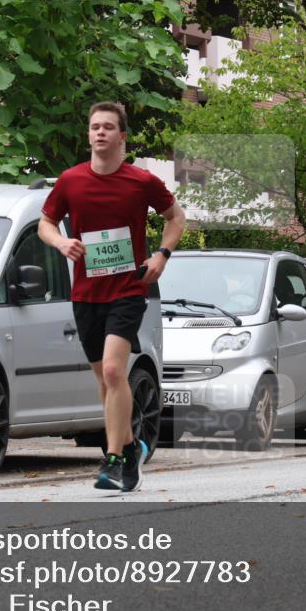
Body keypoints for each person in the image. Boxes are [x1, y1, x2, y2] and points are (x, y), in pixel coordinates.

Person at [39, 101, 186, 491]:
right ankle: (131, 444)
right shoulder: (70, 180)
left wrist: (162, 255)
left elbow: (177, 218)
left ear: (122, 136)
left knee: (113, 371)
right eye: (94, 127)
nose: (99, 132)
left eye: (107, 127)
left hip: (128, 289)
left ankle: (114, 460)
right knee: (104, 384)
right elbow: (45, 223)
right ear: (88, 134)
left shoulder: (141, 181)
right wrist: (61, 243)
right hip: (86, 293)